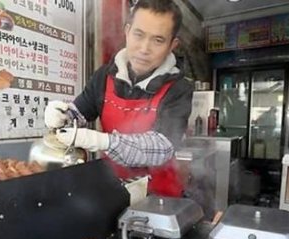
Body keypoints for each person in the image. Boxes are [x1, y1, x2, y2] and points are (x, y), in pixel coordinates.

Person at [44, 0, 193, 198]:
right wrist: (64, 115)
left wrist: (104, 142)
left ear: (172, 45)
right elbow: (80, 113)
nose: (144, 49)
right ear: (127, 31)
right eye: (138, 35)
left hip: (159, 198)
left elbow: (162, 147)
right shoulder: (104, 77)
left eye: (158, 40)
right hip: (111, 190)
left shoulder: (179, 88)